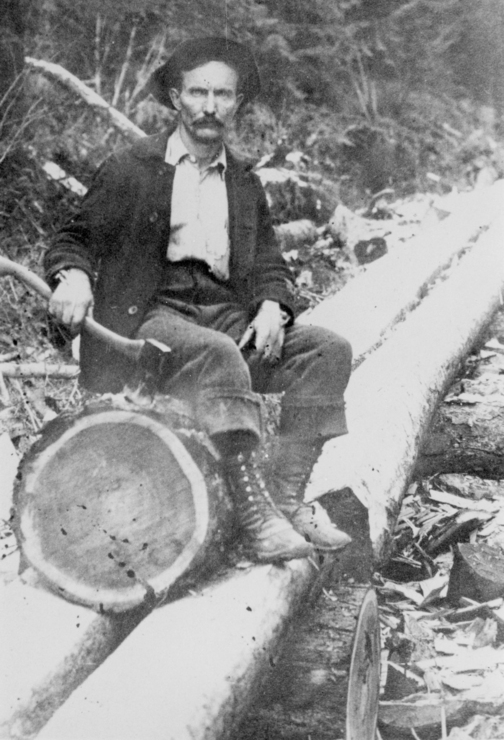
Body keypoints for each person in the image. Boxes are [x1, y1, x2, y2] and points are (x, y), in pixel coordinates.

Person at [44, 37, 353, 564]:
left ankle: (283, 501)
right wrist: (71, 277)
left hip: (224, 313)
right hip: (148, 316)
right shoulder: (130, 168)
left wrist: (273, 306)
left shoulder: (245, 180)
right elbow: (74, 239)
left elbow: (270, 263)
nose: (210, 106)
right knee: (216, 353)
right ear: (174, 98)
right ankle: (254, 517)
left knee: (328, 350)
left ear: (238, 104)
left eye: (223, 95)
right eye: (198, 92)